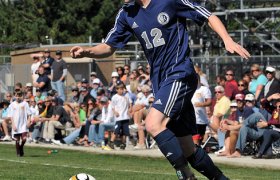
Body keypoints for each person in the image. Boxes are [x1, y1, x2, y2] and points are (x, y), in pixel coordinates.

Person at [70, 0, 250, 179]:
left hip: (179, 73)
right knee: (188, 149)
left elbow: (208, 15)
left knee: (153, 124)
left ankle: (186, 176)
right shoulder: (126, 13)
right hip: (161, 82)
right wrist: (87, 52)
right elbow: (109, 46)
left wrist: (227, 40)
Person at [8, 90, 31, 156]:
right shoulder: (12, 105)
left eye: (19, 96)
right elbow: (11, 116)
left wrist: (29, 121)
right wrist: (13, 124)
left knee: (24, 139)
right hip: (16, 124)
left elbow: (29, 114)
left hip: (23, 124)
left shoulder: (25, 104)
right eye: (16, 96)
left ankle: (21, 147)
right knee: (17, 140)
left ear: (22, 96)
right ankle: (18, 152)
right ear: (14, 96)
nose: (18, 97)